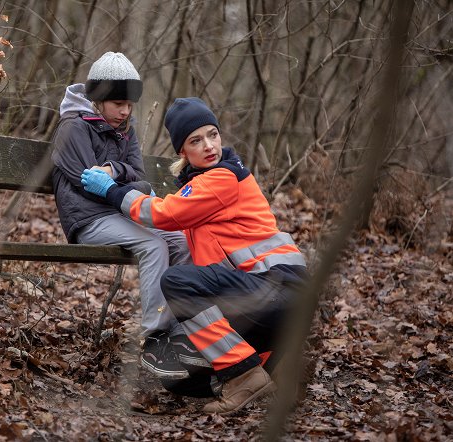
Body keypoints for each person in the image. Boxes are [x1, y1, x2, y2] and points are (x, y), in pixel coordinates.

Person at [80, 97, 308, 414]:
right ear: (183, 151)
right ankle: (274, 369)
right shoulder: (203, 184)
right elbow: (182, 219)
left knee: (176, 282)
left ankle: (244, 376)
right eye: (196, 140)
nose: (209, 145)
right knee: (183, 377)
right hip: (266, 301)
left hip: (279, 292)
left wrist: (111, 190)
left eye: (213, 135)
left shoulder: (223, 177)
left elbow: (162, 214)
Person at [50, 52, 192, 379]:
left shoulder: (125, 128)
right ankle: (156, 339)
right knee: (154, 244)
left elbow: (140, 178)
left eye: (129, 104)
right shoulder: (73, 127)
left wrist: (114, 169)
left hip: (121, 212)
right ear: (98, 99)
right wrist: (121, 181)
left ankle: (185, 329)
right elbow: (88, 186)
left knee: (180, 239)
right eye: (118, 104)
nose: (126, 111)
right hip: (88, 220)